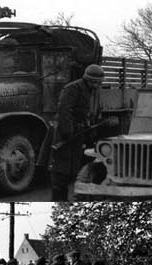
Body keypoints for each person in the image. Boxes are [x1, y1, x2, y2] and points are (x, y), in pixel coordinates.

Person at [52, 65, 107, 202]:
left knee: (74, 169)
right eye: (93, 82)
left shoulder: (89, 90)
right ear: (87, 79)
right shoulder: (73, 88)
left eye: (98, 82)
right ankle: (59, 201)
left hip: (78, 133)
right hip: (66, 135)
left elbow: (84, 112)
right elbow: (64, 110)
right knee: (61, 172)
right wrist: (68, 131)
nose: (96, 85)